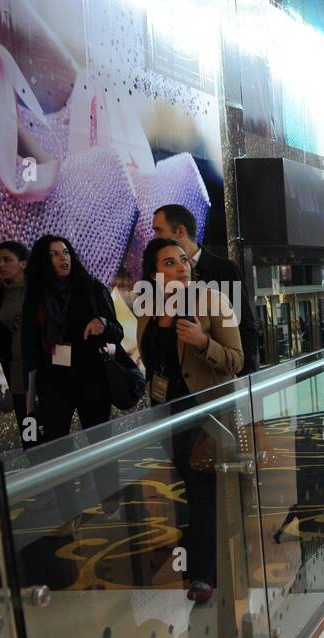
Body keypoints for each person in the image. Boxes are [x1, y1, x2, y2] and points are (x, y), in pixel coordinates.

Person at [137, 237, 243, 603]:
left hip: (206, 414)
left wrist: (202, 342)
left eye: (183, 259)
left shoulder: (214, 301)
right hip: (167, 416)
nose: (182, 266)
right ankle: (197, 553)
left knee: (201, 492)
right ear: (155, 272)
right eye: (170, 262)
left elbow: (236, 360)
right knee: (187, 491)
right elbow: (153, 364)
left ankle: (203, 575)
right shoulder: (149, 310)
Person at [21, 235, 123, 453]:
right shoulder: (35, 297)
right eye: (54, 254)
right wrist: (31, 394)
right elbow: (29, 347)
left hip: (92, 381)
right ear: (43, 261)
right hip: (53, 386)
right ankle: (63, 489)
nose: (62, 258)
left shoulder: (92, 289)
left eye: (66, 252)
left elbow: (117, 332)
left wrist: (103, 322)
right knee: (56, 452)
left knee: (102, 449)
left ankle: (109, 489)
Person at [152, 204, 260, 375]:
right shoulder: (158, 277)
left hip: (216, 384)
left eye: (158, 231)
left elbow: (245, 326)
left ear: (180, 231)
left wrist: (245, 381)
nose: (154, 238)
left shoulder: (224, 270)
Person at [0, 241, 34, 446]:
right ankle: (38, 471)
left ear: (23, 264)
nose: (1, 264)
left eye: (7, 260)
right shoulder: (1, 295)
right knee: (28, 431)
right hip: (16, 372)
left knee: (48, 427)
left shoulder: (37, 292)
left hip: (41, 371)